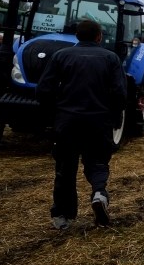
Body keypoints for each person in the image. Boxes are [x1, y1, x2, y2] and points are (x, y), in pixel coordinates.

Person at [35, 19, 126, 229]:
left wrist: (55, 113)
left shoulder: (61, 56)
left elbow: (44, 90)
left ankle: (62, 215)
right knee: (97, 162)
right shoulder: (111, 58)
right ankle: (99, 193)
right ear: (99, 37)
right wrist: (113, 116)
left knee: (65, 167)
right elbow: (120, 94)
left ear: (77, 35)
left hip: (67, 121)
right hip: (98, 120)